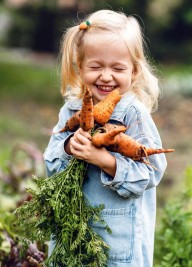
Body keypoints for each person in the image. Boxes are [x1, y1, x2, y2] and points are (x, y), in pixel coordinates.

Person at [44, 9, 168, 266]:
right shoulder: (71, 110)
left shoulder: (134, 114)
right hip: (71, 233)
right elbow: (50, 162)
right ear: (80, 67)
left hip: (116, 243)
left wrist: (104, 160)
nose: (106, 76)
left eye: (118, 68)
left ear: (133, 72)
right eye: (96, 66)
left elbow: (153, 172)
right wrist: (68, 146)